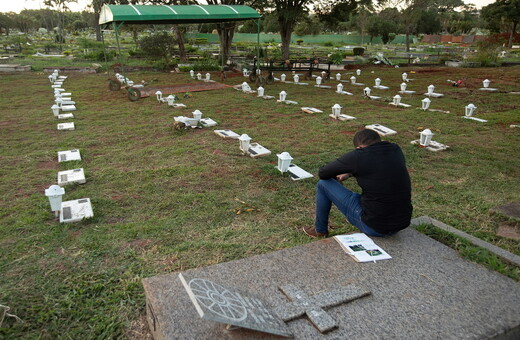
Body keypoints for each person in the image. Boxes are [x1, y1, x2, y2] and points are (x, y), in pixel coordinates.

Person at [303, 129, 412, 238]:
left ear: (359, 148)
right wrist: (350, 173)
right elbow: (380, 167)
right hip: (401, 222)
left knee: (323, 184)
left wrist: (349, 169)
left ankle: (320, 230)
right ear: (379, 141)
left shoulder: (358, 155)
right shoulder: (395, 149)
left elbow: (323, 173)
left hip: (375, 227)